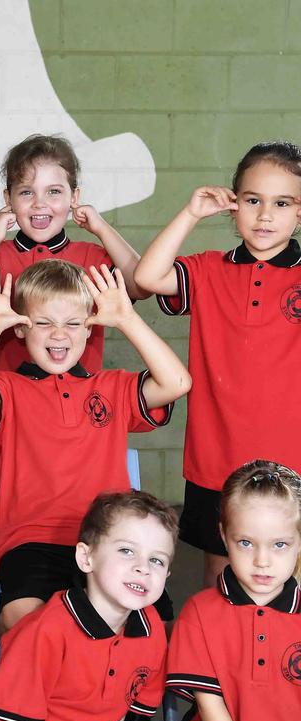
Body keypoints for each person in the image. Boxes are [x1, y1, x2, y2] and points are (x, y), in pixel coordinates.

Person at [0, 261, 190, 634]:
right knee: (22, 621)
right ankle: (36, 693)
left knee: (149, 625)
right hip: (30, 540)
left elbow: (177, 381)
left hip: (108, 538)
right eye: (43, 323)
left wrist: (127, 319)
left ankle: (120, 693)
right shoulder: (7, 389)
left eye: (72, 323)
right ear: (20, 327)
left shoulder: (113, 387)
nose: (59, 335)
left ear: (90, 329)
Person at [0, 134, 144, 504]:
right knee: (10, 502)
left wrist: (101, 227)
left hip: (77, 413)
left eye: (54, 192)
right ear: (8, 200)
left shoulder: (91, 254)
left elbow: (140, 283)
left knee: (80, 501)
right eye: (25, 193)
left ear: (74, 198)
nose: (40, 204)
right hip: (8, 413)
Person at [135, 141, 301, 588]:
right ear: (233, 205)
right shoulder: (208, 270)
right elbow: (147, 277)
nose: (265, 215)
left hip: (294, 462)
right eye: (252, 201)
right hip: (217, 459)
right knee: (223, 579)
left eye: (282, 203)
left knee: (289, 582)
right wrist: (191, 213)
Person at [0, 491, 176, 721]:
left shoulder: (151, 630)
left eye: (157, 560)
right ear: (86, 558)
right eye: (126, 551)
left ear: (166, 575)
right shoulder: (46, 629)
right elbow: (6, 719)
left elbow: (118, 712)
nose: (142, 568)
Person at [167, 460, 301, 721]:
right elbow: (211, 708)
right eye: (245, 543)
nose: (262, 561)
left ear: (298, 543)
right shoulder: (198, 613)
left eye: (279, 544)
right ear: (224, 536)